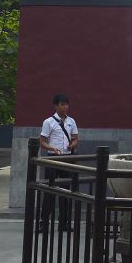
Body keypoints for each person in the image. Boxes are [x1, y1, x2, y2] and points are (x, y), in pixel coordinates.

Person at [38, 93, 79, 232]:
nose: (65, 107)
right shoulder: (48, 122)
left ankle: (64, 223)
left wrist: (72, 145)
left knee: (66, 191)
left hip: (66, 158)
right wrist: (52, 148)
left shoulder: (71, 121)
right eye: (62, 104)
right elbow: (42, 142)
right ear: (55, 106)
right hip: (53, 159)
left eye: (67, 104)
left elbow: (75, 138)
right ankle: (44, 222)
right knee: (49, 191)